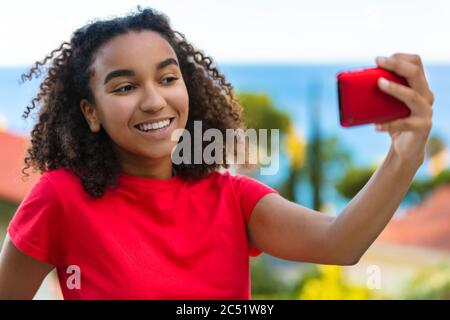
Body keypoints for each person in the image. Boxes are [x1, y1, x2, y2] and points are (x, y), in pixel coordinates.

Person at [0, 7, 434, 299]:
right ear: (90, 112)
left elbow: (341, 241)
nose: (154, 101)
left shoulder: (233, 198)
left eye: (167, 79)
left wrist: (405, 153)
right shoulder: (59, 198)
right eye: (125, 87)